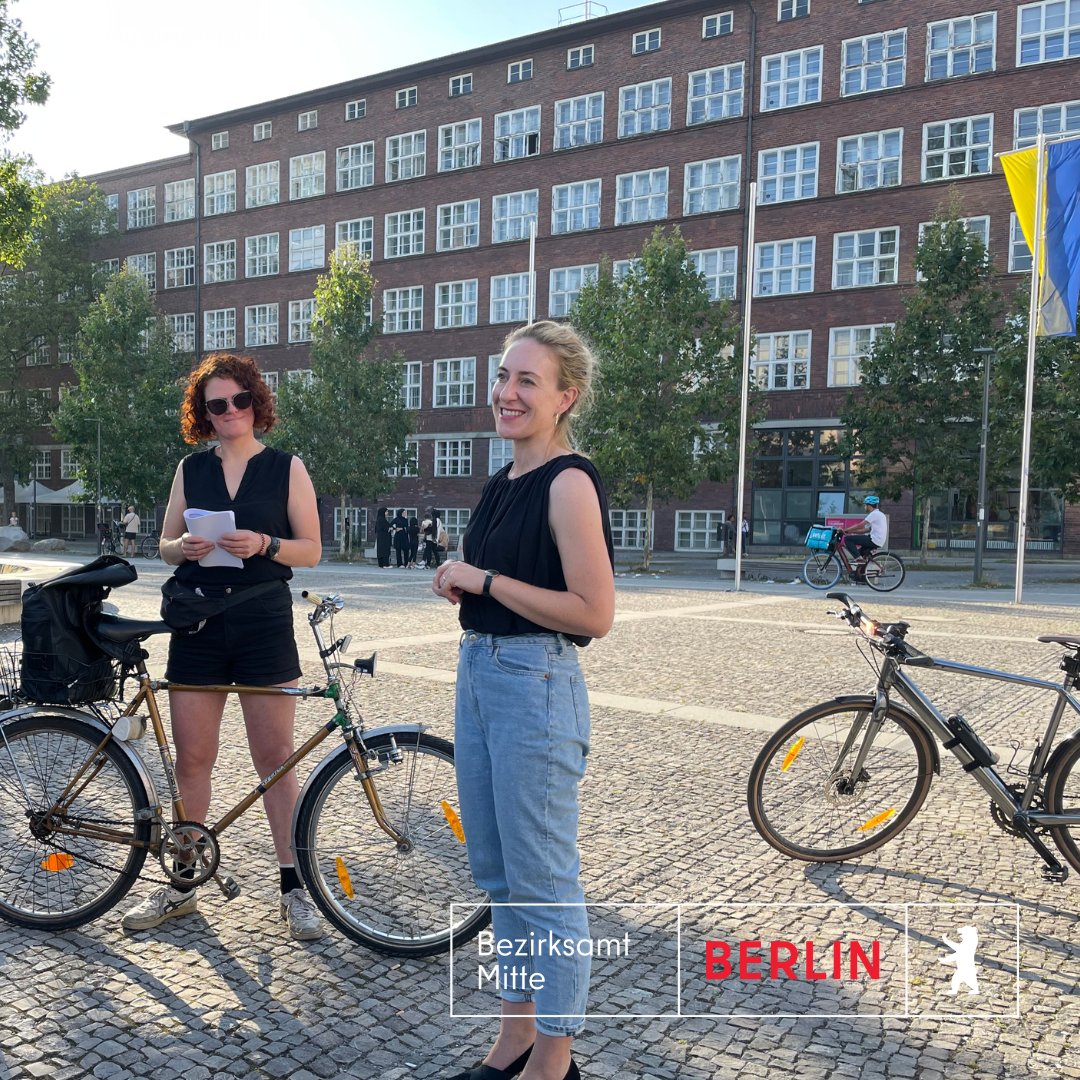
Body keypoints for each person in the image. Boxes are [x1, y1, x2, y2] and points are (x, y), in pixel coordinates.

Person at [433, 320, 615, 1080]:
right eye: (505, 376)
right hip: (481, 675)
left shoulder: (569, 481)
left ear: (565, 396)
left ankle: (555, 1061)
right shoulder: (501, 480)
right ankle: (513, 1041)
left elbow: (593, 614)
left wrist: (483, 582)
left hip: (535, 685)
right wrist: (465, 585)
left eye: (527, 381)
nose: (507, 392)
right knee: (498, 874)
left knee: (543, 880)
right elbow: (504, 590)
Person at [121, 352, 324, 940]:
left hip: (262, 622)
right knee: (192, 760)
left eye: (239, 400)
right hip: (199, 625)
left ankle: (294, 888)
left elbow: (310, 549)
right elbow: (162, 544)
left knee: (275, 761)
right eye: (217, 404)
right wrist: (180, 548)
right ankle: (183, 883)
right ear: (203, 413)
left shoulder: (287, 467)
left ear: (255, 403)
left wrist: (264, 542)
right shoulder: (191, 468)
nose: (230, 411)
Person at [844, 494, 888, 574]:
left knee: (848, 539)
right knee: (860, 553)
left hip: (874, 539)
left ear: (869, 506)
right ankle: (860, 575)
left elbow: (860, 525)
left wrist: (846, 530)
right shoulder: (880, 514)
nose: (864, 507)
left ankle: (859, 559)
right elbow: (866, 530)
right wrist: (851, 532)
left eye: (865, 505)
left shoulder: (874, 514)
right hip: (878, 540)